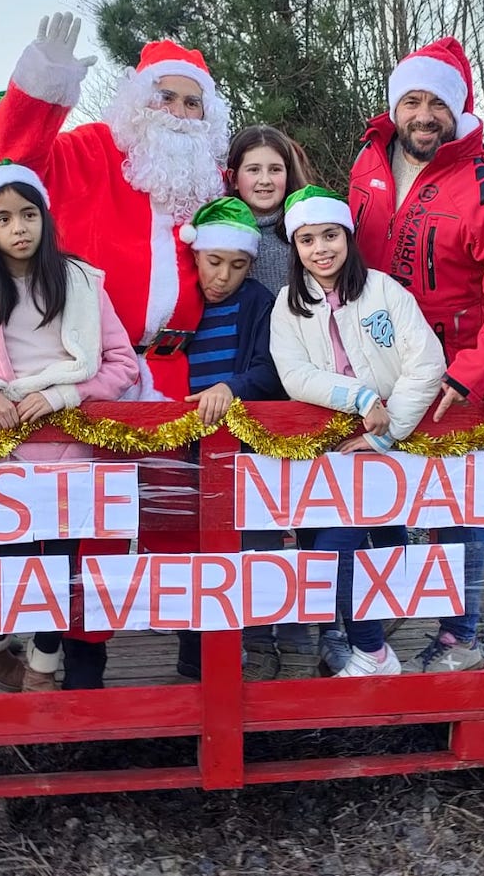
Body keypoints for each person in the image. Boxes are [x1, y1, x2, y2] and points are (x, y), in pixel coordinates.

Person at [347, 37, 484, 674]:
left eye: (438, 103)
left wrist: (470, 374)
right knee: (371, 498)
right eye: (412, 100)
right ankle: (366, 630)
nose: (424, 115)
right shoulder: (367, 166)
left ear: (457, 111)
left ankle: (459, 638)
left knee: (457, 507)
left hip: (451, 375)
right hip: (375, 366)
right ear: (395, 106)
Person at [0, 161, 139, 692]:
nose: (19, 228)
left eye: (28, 215)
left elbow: (121, 363)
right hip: (2, 454)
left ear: (44, 218)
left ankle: (43, 670)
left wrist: (62, 395)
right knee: (9, 563)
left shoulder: (83, 283)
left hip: (73, 446)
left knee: (64, 563)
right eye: (4, 218)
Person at [0, 12, 231, 401]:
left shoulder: (208, 178)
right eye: (165, 97)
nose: (178, 112)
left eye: (192, 103)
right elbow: (16, 158)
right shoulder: (95, 148)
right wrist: (46, 82)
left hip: (177, 379)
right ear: (139, 102)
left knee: (174, 467)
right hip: (87, 376)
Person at [268, 186, 447, 677]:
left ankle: (370, 643)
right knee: (328, 546)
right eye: (307, 240)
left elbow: (427, 361)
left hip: (389, 442)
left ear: (347, 236)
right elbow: (295, 374)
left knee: (383, 540)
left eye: (330, 236)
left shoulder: (384, 290)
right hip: (329, 442)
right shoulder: (288, 304)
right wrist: (361, 399)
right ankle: (364, 647)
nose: (320, 249)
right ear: (295, 247)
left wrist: (388, 432)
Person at [174, 197, 315, 680]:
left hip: (245, 444)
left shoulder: (258, 301)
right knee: (192, 543)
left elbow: (271, 370)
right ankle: (197, 646)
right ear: (195, 256)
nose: (223, 276)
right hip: (186, 446)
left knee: (256, 539)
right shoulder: (178, 300)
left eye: (237, 266)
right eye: (214, 262)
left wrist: (230, 389)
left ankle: (260, 639)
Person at [225, 125, 311, 292]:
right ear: (233, 178)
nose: (265, 180)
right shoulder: (219, 235)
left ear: (288, 174)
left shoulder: (307, 231)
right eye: (254, 170)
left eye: (275, 170)